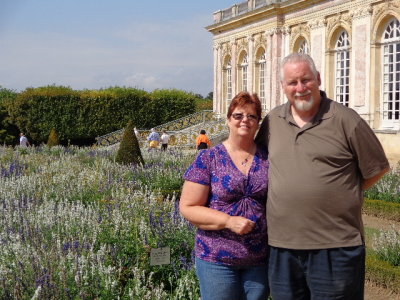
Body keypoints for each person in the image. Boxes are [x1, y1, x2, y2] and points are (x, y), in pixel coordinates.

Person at [255, 53, 390, 300]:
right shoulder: (273, 120)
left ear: (318, 78)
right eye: (292, 83)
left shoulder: (346, 120)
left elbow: (377, 168)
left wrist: (343, 191)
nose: (300, 88)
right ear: (283, 87)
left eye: (306, 80)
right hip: (282, 246)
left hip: (336, 246)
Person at [180, 92, 270, 300]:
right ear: (229, 119)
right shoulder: (209, 158)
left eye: (252, 116)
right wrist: (228, 221)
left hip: (259, 260)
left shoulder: (268, 157)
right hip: (216, 259)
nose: (245, 120)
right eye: (238, 115)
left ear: (258, 123)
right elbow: (188, 207)